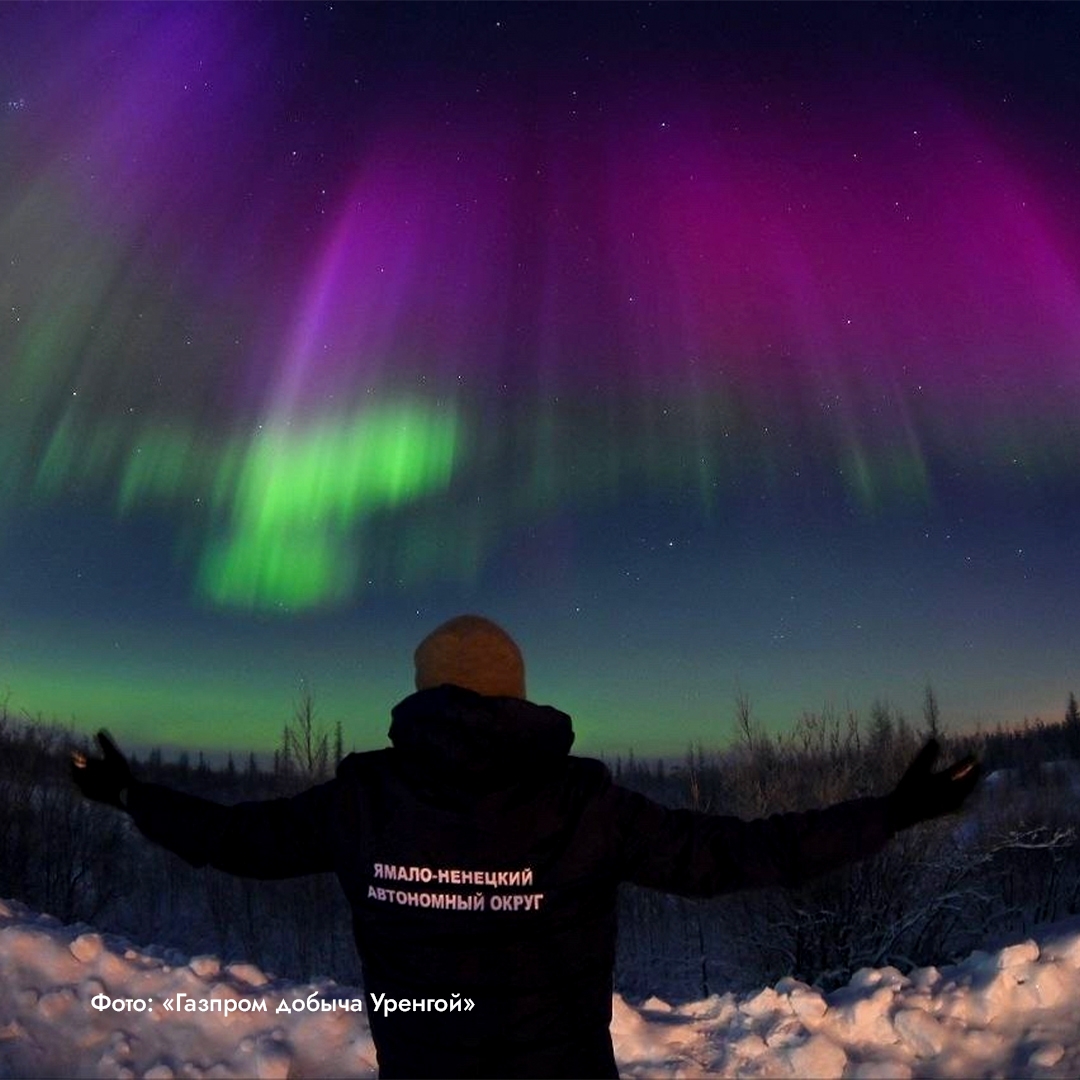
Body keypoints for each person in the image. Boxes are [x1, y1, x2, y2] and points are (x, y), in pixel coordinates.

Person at [73, 614, 980, 1079]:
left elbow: (235, 840)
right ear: (515, 698)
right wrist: (889, 813)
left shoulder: (364, 801)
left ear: (423, 695)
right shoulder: (585, 804)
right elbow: (743, 854)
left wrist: (129, 796)